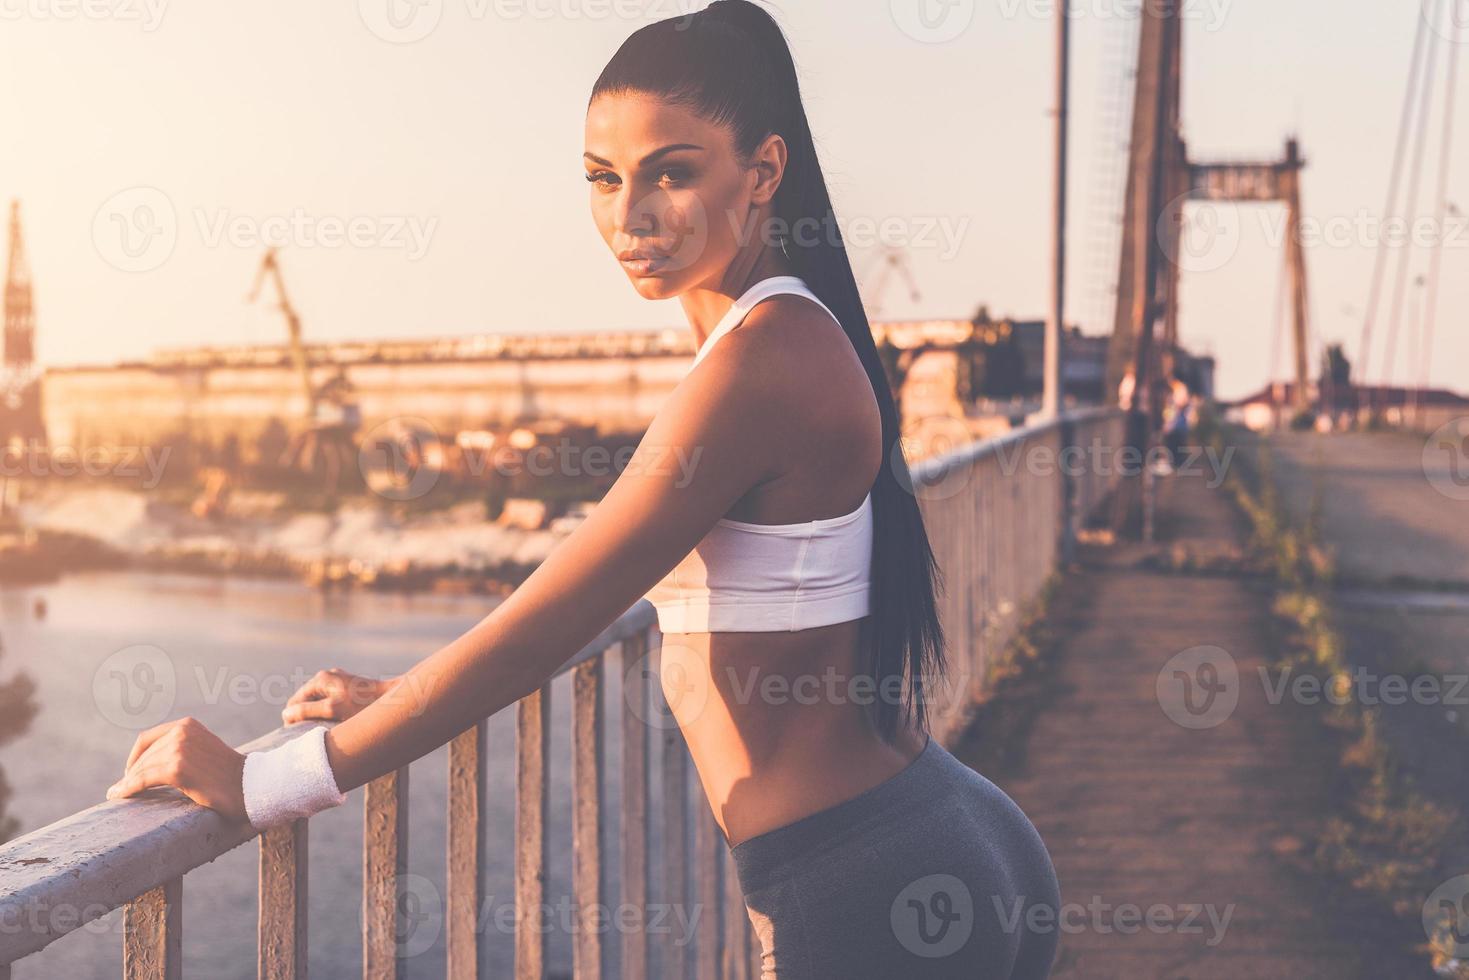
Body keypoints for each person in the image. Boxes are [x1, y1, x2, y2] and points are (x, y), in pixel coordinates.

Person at [104, 4, 1060, 976]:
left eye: (672, 172)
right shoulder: (775, 335)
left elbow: (550, 617)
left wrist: (267, 781)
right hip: (928, 833)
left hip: (862, 883)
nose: (628, 214)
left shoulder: (758, 364)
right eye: (603, 178)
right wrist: (398, 693)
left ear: (763, 170)